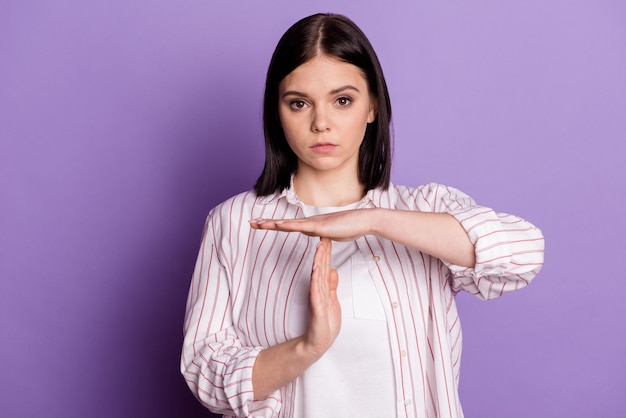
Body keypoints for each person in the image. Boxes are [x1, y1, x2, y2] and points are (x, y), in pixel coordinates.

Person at [181, 13, 544, 418]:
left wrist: (375, 219)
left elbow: (523, 253)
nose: (321, 123)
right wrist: (307, 348)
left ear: (372, 106)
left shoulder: (423, 210)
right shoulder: (233, 223)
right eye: (299, 103)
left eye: (342, 100)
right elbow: (204, 370)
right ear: (277, 111)